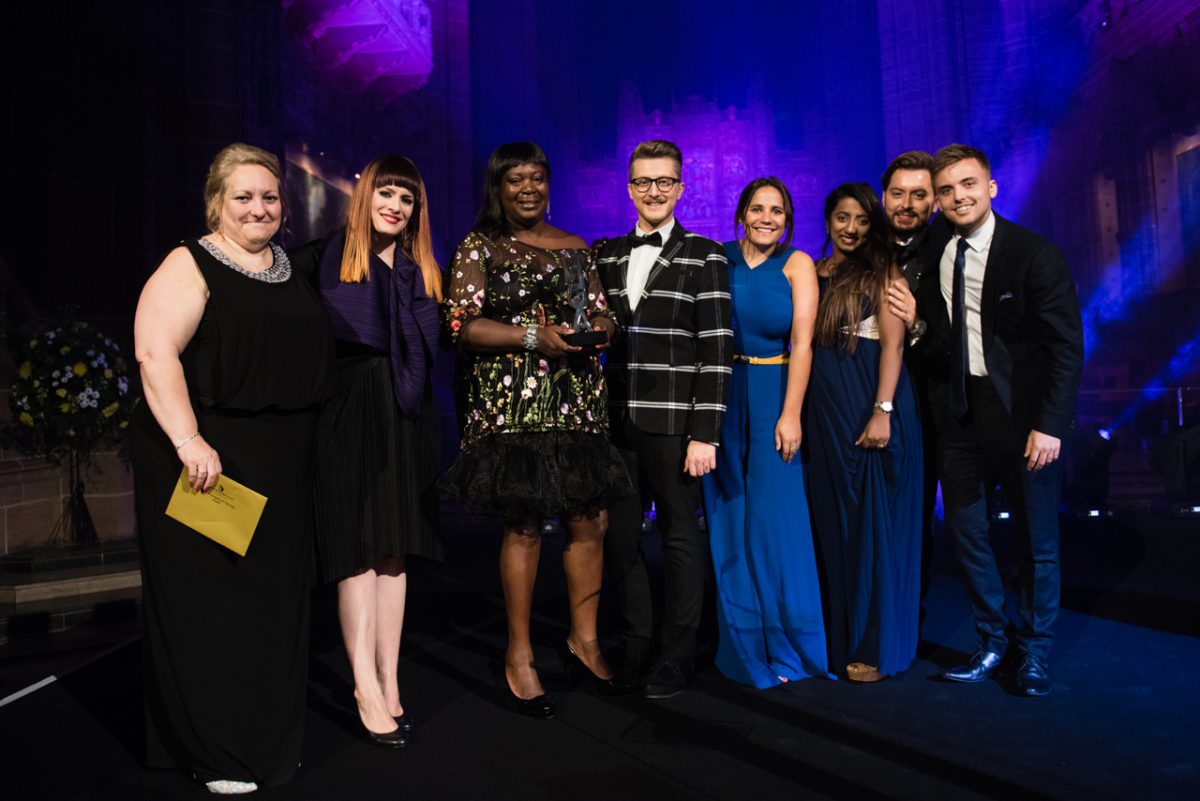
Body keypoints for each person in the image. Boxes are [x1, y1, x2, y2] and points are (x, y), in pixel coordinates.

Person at [131, 143, 333, 794]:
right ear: (216, 201)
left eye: (269, 196)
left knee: (272, 608)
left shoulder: (286, 267)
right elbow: (154, 352)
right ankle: (216, 749)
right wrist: (189, 440)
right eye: (243, 196)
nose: (259, 207)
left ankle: (262, 741)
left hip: (282, 463)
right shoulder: (188, 264)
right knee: (216, 610)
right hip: (209, 464)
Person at [440, 142, 632, 718]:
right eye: (515, 180)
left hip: (574, 400)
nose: (528, 189)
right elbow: (461, 325)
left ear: (550, 184)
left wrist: (596, 329)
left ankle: (585, 640)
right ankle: (519, 654)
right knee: (522, 524)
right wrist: (531, 338)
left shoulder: (577, 248)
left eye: (537, 179)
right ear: (497, 188)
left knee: (589, 520)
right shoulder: (480, 246)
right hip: (509, 403)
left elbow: (601, 314)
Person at [916, 144, 1083, 696]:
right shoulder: (939, 244)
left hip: (1025, 418)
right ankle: (993, 640)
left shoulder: (1035, 255)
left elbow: (1065, 347)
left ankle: (1034, 652)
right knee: (967, 532)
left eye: (968, 184)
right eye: (946, 190)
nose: (957, 196)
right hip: (962, 411)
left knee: (1038, 540)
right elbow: (945, 332)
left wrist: (1051, 423)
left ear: (991, 187)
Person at [291, 155, 443, 748]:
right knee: (356, 549)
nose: (395, 206)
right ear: (364, 194)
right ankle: (362, 685)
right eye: (387, 192)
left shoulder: (417, 272)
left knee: (395, 553)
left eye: (407, 198)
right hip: (347, 410)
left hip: (405, 415)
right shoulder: (319, 256)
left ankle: (388, 674)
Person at [595, 139, 732, 698]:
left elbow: (717, 349)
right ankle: (636, 642)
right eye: (643, 182)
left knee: (679, 536)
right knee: (621, 538)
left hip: (676, 424)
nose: (653, 191)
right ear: (629, 188)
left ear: (680, 188)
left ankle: (677, 653)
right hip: (613, 422)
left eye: (664, 182)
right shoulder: (604, 254)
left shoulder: (706, 253)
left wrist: (706, 432)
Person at [699, 177, 828, 689]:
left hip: (776, 391)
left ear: (788, 219)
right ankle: (741, 645)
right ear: (741, 214)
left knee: (778, 524)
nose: (767, 218)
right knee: (728, 519)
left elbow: (804, 344)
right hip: (723, 393)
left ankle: (792, 644)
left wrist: (791, 412)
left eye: (777, 211)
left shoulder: (797, 264)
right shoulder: (718, 257)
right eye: (758, 209)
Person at [807, 183, 923, 683]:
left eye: (860, 220)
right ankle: (836, 640)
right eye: (841, 218)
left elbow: (894, 348)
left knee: (871, 528)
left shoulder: (883, 274)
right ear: (828, 220)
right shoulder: (813, 273)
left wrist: (883, 410)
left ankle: (872, 644)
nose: (850, 229)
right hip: (822, 416)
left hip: (868, 409)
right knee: (832, 526)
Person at [878, 150, 942, 624]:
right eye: (898, 193)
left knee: (916, 516)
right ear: (883, 197)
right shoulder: (862, 247)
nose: (906, 203)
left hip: (927, 402)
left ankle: (907, 616)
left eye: (919, 195)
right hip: (862, 400)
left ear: (934, 201)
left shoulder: (947, 252)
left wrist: (916, 325)